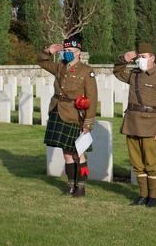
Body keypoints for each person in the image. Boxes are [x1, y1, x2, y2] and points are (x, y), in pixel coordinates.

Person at [113, 43, 156, 207]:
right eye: (139, 57)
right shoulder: (134, 74)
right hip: (132, 123)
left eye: (144, 57)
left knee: (151, 164)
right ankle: (142, 195)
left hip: (150, 125)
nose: (140, 60)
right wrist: (124, 58)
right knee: (137, 163)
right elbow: (117, 71)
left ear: (153, 58)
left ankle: (153, 197)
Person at [39, 35, 98, 197]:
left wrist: (88, 123)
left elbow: (92, 99)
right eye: (65, 50)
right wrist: (48, 51)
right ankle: (70, 185)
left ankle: (81, 186)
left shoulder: (87, 72)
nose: (67, 53)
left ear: (78, 52)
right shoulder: (59, 66)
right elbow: (41, 61)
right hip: (58, 110)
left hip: (75, 114)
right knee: (66, 153)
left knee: (78, 152)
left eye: (70, 51)